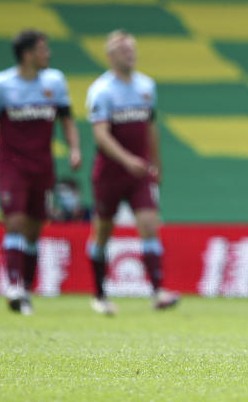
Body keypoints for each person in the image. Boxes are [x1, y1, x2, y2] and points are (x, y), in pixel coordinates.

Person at [0, 29, 81, 315]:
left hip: (43, 168)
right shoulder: (1, 85)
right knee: (15, 223)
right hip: (12, 167)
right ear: (28, 54)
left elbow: (67, 119)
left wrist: (74, 148)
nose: (49, 54)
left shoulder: (55, 82)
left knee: (33, 232)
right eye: (44, 49)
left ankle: (25, 291)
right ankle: (14, 285)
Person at [84, 30, 178, 315]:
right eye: (124, 50)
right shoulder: (101, 90)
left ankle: (159, 291)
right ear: (111, 57)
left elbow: (151, 128)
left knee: (150, 226)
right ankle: (100, 295)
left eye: (133, 49)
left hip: (140, 173)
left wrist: (156, 163)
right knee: (103, 232)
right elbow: (101, 135)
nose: (131, 54)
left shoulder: (146, 86)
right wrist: (126, 160)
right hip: (110, 173)